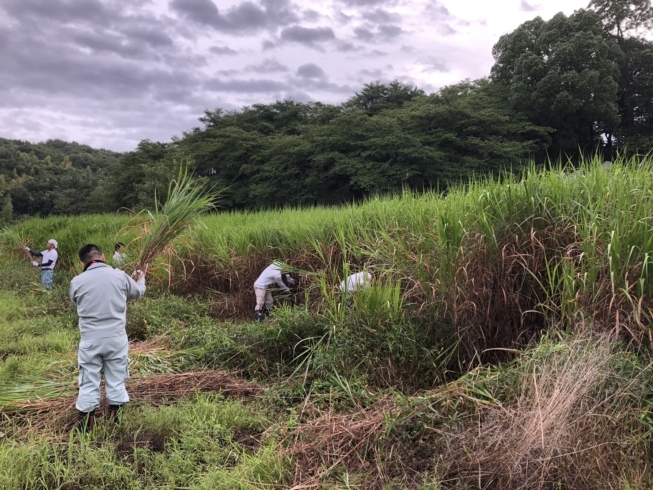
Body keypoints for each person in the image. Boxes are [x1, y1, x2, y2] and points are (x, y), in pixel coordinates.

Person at [69, 244, 147, 432]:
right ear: (103, 256)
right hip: (115, 339)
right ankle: (116, 426)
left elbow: (75, 301)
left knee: (88, 382)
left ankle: (85, 430)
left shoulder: (77, 281)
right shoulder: (120, 276)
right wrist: (141, 278)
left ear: (82, 262)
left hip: (90, 341)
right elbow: (137, 292)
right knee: (116, 380)